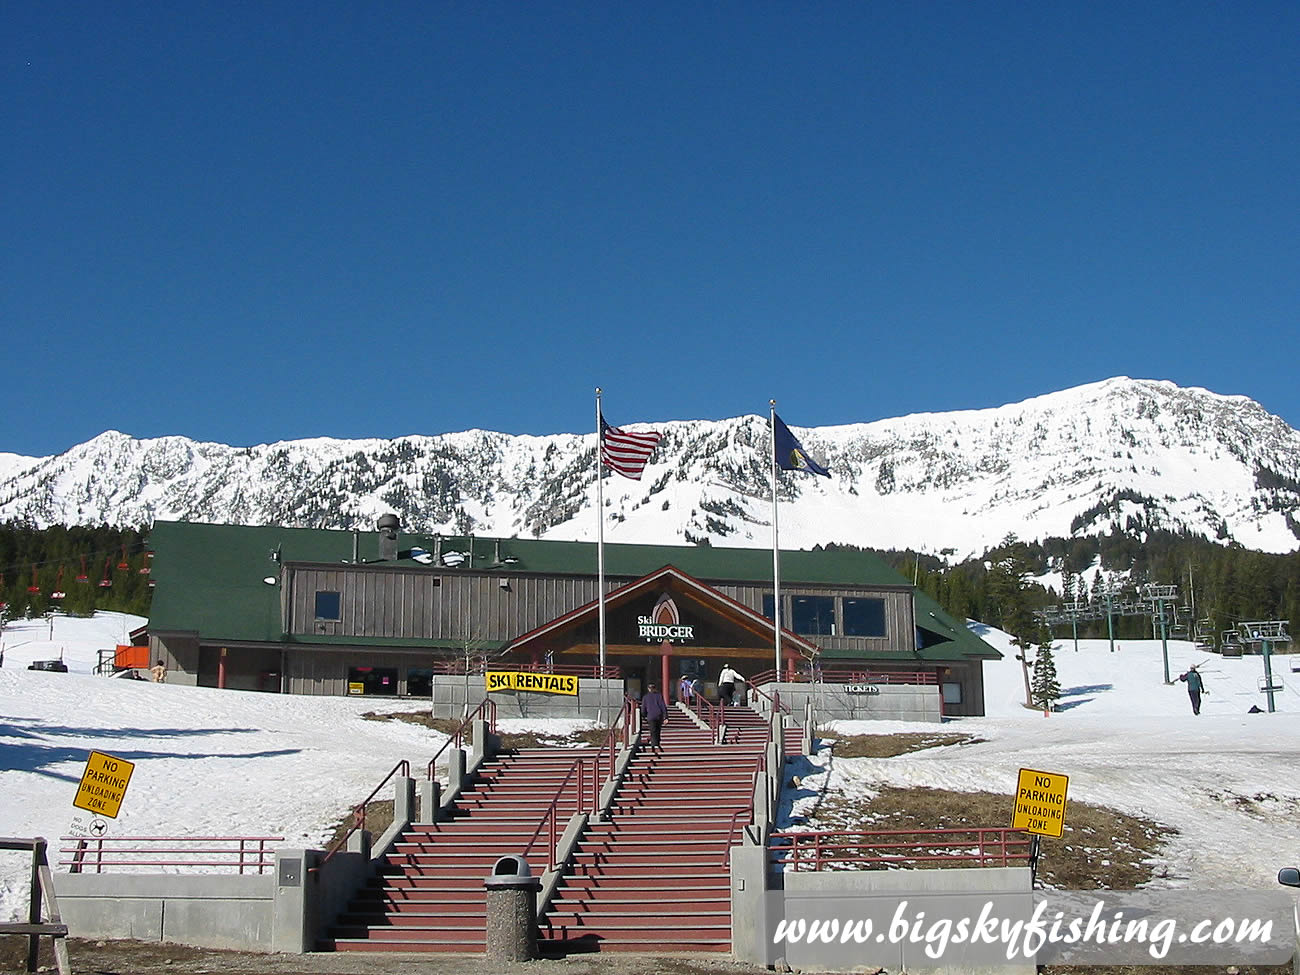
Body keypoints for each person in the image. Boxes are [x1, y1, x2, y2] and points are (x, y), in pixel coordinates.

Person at [641, 682, 668, 749]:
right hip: (659, 715)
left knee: (653, 730)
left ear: (648, 689)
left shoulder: (645, 697)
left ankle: (654, 744)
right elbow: (663, 706)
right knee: (658, 730)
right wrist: (666, 716)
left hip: (650, 715)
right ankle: (657, 742)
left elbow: (643, 708)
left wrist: (643, 715)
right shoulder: (659, 696)